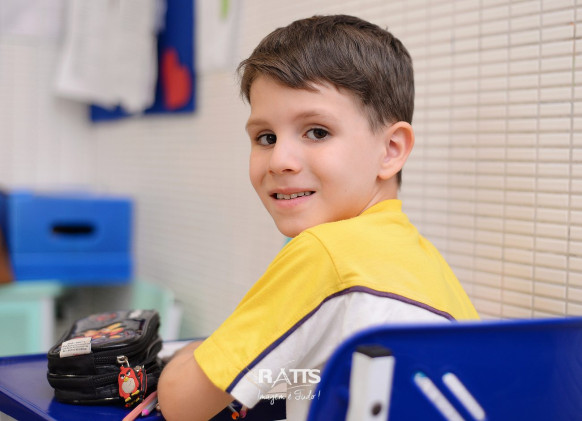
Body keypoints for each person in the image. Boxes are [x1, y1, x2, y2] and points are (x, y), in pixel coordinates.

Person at [157, 14, 479, 421]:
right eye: (266, 137)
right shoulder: (419, 260)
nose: (280, 160)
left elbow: (182, 405)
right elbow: (332, 381)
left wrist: (192, 354)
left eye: (317, 132)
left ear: (391, 150)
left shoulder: (325, 254)